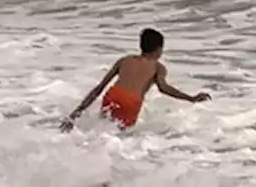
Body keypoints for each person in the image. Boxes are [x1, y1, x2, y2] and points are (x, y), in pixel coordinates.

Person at [60, 28, 210, 131]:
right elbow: (164, 88)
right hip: (131, 102)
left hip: (113, 95)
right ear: (159, 49)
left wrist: (76, 113)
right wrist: (191, 98)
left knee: (101, 130)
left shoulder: (124, 60)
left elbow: (99, 88)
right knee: (119, 138)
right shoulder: (158, 67)